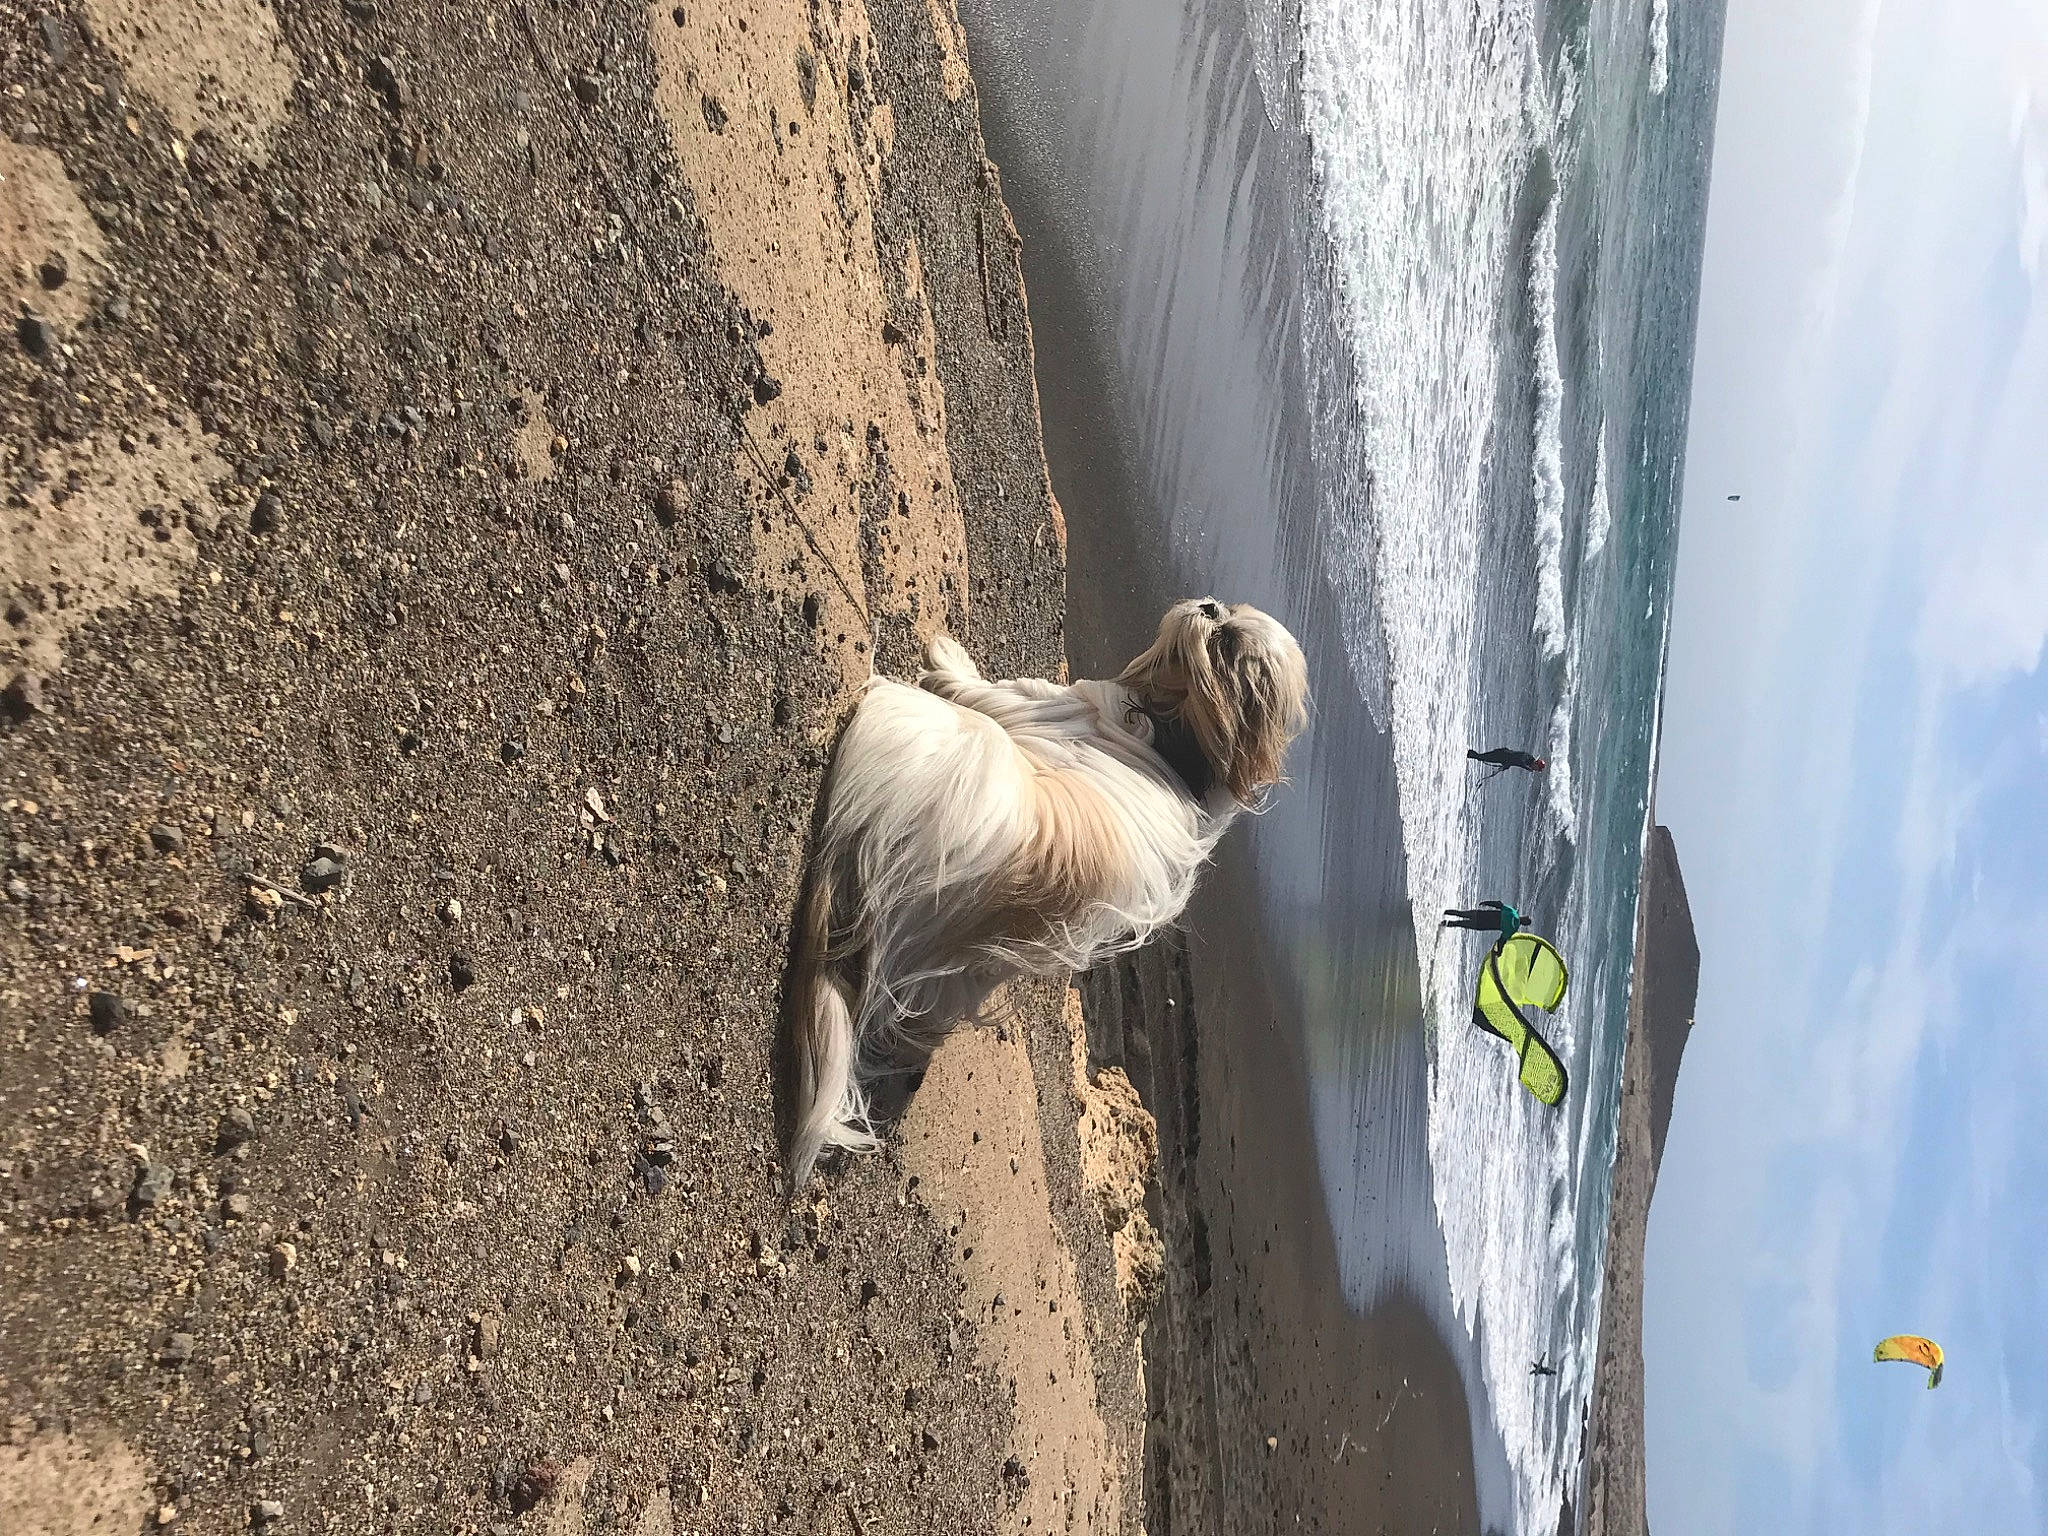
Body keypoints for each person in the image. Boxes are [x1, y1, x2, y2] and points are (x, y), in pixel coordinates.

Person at [1442, 901, 1521, 939]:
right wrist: (1498, 951)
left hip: (1480, 915)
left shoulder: (1512, 912)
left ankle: (1442, 914)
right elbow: (1502, 940)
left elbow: (1499, 904)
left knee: (1460, 914)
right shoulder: (1512, 929)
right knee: (1458, 923)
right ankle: (1442, 922)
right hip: (1480, 925)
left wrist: (1486, 903)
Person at [1468, 747, 1546, 773]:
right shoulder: (1526, 758)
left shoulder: (1529, 761)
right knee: (1480, 757)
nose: (1536, 770)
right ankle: (1466, 752)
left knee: (1480, 757)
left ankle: (1467, 753)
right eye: (1537, 769)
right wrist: (1505, 767)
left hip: (1503, 758)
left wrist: (1505, 767)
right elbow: (1517, 761)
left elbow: (1513, 762)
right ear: (1536, 764)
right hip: (1501, 754)